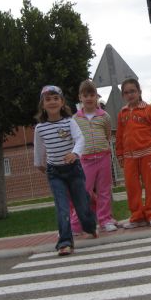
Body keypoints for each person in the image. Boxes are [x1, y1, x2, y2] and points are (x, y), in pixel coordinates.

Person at [33, 85, 97, 256]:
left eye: (56, 98)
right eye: (48, 99)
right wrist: (39, 164)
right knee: (62, 207)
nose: (52, 102)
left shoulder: (70, 122)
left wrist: (75, 153)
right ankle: (65, 242)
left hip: (74, 169)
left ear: (62, 102)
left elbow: (80, 139)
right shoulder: (40, 128)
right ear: (43, 105)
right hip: (55, 173)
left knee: (82, 206)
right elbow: (39, 150)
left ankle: (90, 226)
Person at [116, 78, 151, 228]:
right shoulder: (122, 113)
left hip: (147, 153)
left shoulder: (149, 110)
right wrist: (119, 154)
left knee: (150, 185)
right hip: (129, 156)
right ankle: (137, 216)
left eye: (133, 91)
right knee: (132, 187)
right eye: (126, 92)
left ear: (139, 92)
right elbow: (119, 136)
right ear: (123, 96)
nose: (130, 95)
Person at [70, 79, 118, 233]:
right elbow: (74, 139)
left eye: (92, 95)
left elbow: (107, 134)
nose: (89, 98)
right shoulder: (75, 119)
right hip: (85, 161)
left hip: (103, 158)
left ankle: (105, 219)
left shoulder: (104, 116)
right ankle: (76, 223)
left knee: (104, 190)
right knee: (84, 192)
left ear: (96, 97)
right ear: (80, 97)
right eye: (85, 95)